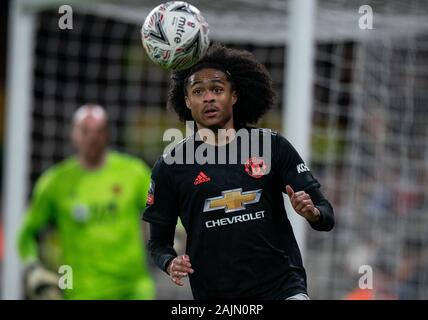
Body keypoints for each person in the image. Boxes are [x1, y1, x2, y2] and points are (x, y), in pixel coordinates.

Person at [143, 44, 335, 300]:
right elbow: (158, 243)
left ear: (233, 95)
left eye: (217, 89)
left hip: (282, 288)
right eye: (198, 91)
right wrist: (169, 262)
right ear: (187, 100)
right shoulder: (171, 165)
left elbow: (327, 215)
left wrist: (312, 213)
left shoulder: (271, 146)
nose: (208, 97)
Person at [18, 104, 156, 300]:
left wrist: (175, 235)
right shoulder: (55, 182)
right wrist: (33, 267)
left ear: (107, 134)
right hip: (83, 291)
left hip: (134, 289)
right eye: (85, 130)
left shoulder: (133, 172)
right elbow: (26, 234)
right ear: (73, 133)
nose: (93, 137)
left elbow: (164, 209)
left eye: (99, 131)